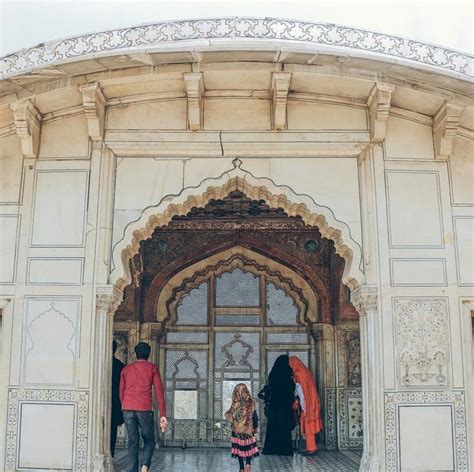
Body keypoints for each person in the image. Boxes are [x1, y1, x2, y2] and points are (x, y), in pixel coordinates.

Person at [120, 342, 167, 472]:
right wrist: (162, 414)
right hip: (144, 410)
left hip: (128, 409)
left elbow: (121, 392)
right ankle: (144, 468)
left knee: (133, 441)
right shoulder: (152, 368)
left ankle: (133, 469)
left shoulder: (126, 370)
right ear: (149, 354)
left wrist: (124, 407)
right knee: (149, 440)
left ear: (135, 354)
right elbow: (159, 392)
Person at [259, 354, 296, 456]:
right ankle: (284, 450)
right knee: (284, 427)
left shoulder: (273, 374)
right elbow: (291, 390)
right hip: (285, 407)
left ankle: (271, 449)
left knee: (273, 428)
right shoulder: (288, 374)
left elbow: (270, 389)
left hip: (274, 406)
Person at [289, 356, 323, 455]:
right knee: (308, 425)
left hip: (308, 404)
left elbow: (302, 392)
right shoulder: (305, 372)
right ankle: (310, 447)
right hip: (310, 402)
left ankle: (311, 448)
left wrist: (304, 406)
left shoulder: (299, 374)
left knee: (309, 425)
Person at [225, 383, 259, 472]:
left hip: (236, 431)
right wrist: (255, 427)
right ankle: (248, 464)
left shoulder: (235, 404)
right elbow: (255, 417)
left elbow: (229, 416)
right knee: (248, 448)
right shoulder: (251, 403)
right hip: (248, 430)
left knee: (239, 449)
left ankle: (241, 468)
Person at [111, 340, 125, 458]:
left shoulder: (99, 364)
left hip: (99, 403)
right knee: (112, 430)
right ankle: (110, 455)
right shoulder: (120, 365)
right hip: (115, 403)